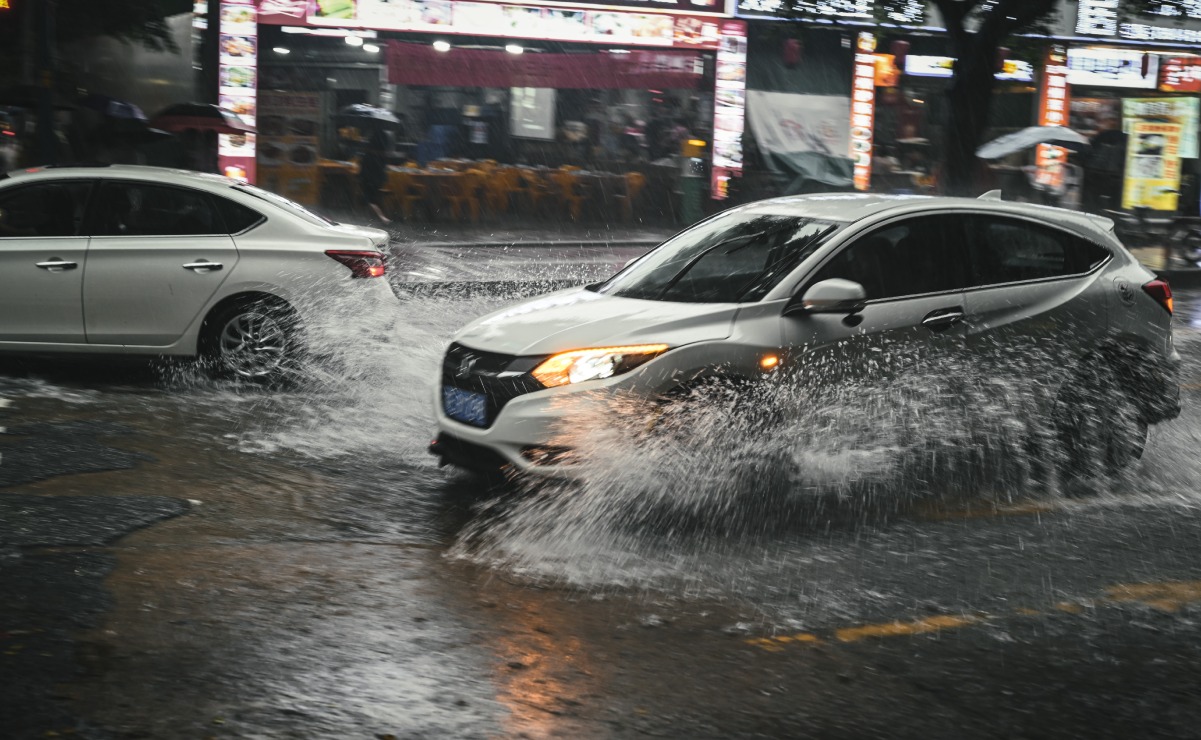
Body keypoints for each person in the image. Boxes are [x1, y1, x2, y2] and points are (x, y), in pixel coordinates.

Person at [358, 128, 391, 224]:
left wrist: (360, 176)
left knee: (368, 199)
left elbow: (363, 166)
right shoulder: (382, 154)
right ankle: (377, 217)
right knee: (373, 198)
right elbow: (383, 167)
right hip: (378, 179)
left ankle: (381, 217)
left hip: (368, 178)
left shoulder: (368, 154)